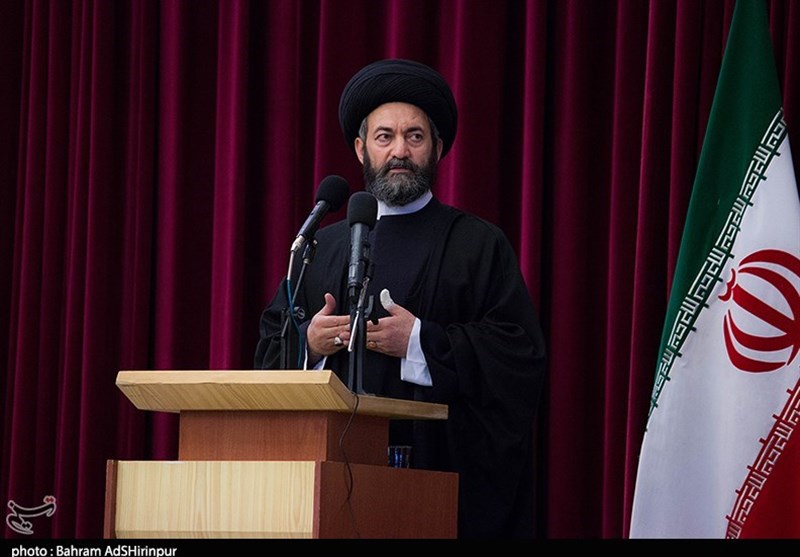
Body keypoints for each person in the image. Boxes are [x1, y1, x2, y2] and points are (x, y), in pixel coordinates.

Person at [255, 58, 546, 539]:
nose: (399, 151)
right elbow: (270, 350)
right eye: (384, 136)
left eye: (415, 137)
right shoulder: (319, 247)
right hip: (325, 490)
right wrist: (308, 342)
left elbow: (517, 356)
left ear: (437, 148)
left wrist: (419, 342)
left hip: (436, 486)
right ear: (361, 148)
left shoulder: (477, 244)